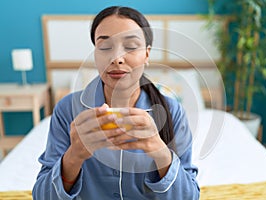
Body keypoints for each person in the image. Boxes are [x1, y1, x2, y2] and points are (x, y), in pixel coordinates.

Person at [33, 6, 200, 200]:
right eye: (105, 47)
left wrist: (158, 150)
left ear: (146, 55)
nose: (117, 59)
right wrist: (74, 155)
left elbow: (189, 196)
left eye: (130, 46)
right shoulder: (67, 110)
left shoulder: (172, 111)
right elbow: (42, 197)